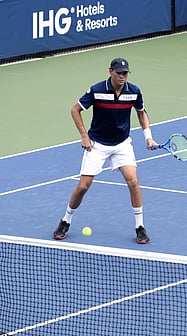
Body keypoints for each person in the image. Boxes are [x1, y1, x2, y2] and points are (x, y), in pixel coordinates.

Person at [53, 57, 157, 244]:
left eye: (125, 73)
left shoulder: (134, 92)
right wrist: (84, 136)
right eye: (119, 73)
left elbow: (141, 112)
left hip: (121, 144)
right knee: (83, 186)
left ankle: (140, 227)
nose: (122, 77)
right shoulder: (97, 90)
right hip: (98, 144)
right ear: (110, 71)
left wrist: (148, 136)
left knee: (133, 181)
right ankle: (65, 220)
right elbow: (75, 109)